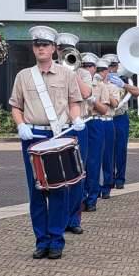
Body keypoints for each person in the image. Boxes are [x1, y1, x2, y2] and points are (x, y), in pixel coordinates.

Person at [9, 26, 84, 260]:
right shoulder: (23, 76)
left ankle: (56, 240)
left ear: (53, 48)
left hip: (59, 136)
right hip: (32, 137)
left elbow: (74, 102)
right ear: (33, 48)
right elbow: (16, 106)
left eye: (45, 45)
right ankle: (41, 241)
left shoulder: (66, 74)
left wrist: (76, 118)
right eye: (37, 45)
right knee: (37, 191)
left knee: (60, 190)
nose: (40, 48)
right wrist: (20, 125)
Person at [54, 33, 91, 236]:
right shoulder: (49, 71)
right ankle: (59, 218)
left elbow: (86, 94)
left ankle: (74, 219)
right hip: (57, 127)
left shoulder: (83, 73)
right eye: (61, 49)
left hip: (77, 126)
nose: (64, 52)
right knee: (57, 175)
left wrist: (72, 71)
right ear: (56, 50)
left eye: (68, 49)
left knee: (77, 173)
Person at [104, 54, 139, 190]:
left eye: (114, 66)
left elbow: (138, 92)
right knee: (107, 150)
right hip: (105, 117)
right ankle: (108, 179)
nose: (111, 69)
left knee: (120, 149)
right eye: (108, 66)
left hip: (120, 117)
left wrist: (123, 84)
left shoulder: (124, 78)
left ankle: (120, 179)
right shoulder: (99, 79)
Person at [83, 55, 112, 212]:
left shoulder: (101, 86)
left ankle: (91, 199)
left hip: (94, 122)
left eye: (90, 66)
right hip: (79, 122)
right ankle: (80, 198)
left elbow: (104, 109)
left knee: (93, 162)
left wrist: (92, 100)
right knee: (79, 163)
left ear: (95, 68)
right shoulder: (74, 82)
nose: (87, 69)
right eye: (84, 66)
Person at [97, 59, 119, 200]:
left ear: (106, 71)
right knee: (93, 157)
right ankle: (94, 188)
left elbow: (115, 104)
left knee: (107, 156)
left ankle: (106, 186)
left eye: (102, 70)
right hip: (94, 121)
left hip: (107, 121)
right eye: (97, 70)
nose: (99, 73)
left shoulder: (112, 87)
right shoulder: (91, 85)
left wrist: (103, 89)